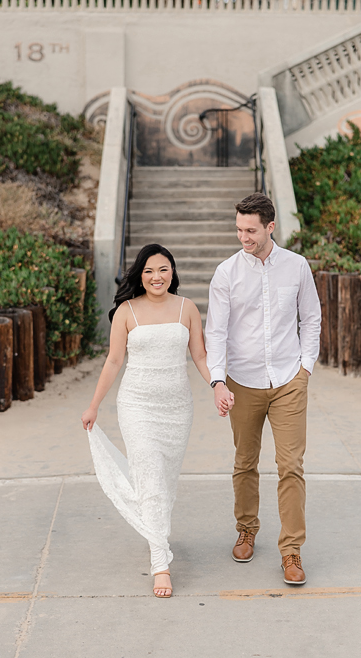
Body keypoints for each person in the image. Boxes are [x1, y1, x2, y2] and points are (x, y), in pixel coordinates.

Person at [81, 244, 232, 598]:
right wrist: (94, 406)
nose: (156, 277)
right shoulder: (126, 312)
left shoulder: (187, 308)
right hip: (137, 405)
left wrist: (217, 385)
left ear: (172, 272)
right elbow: (114, 362)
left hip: (177, 408)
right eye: (149, 271)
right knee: (148, 475)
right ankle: (160, 565)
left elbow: (199, 354)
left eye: (163, 269)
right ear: (140, 274)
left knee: (164, 481)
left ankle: (156, 532)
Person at [206, 192, 321, 586]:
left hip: (289, 380)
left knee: (291, 466)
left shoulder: (297, 266)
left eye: (250, 230)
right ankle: (247, 528)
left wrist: (305, 369)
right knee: (245, 462)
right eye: (238, 229)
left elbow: (311, 318)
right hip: (242, 382)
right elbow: (215, 331)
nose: (243, 237)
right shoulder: (226, 273)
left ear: (270, 227)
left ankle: (291, 552)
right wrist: (217, 380)